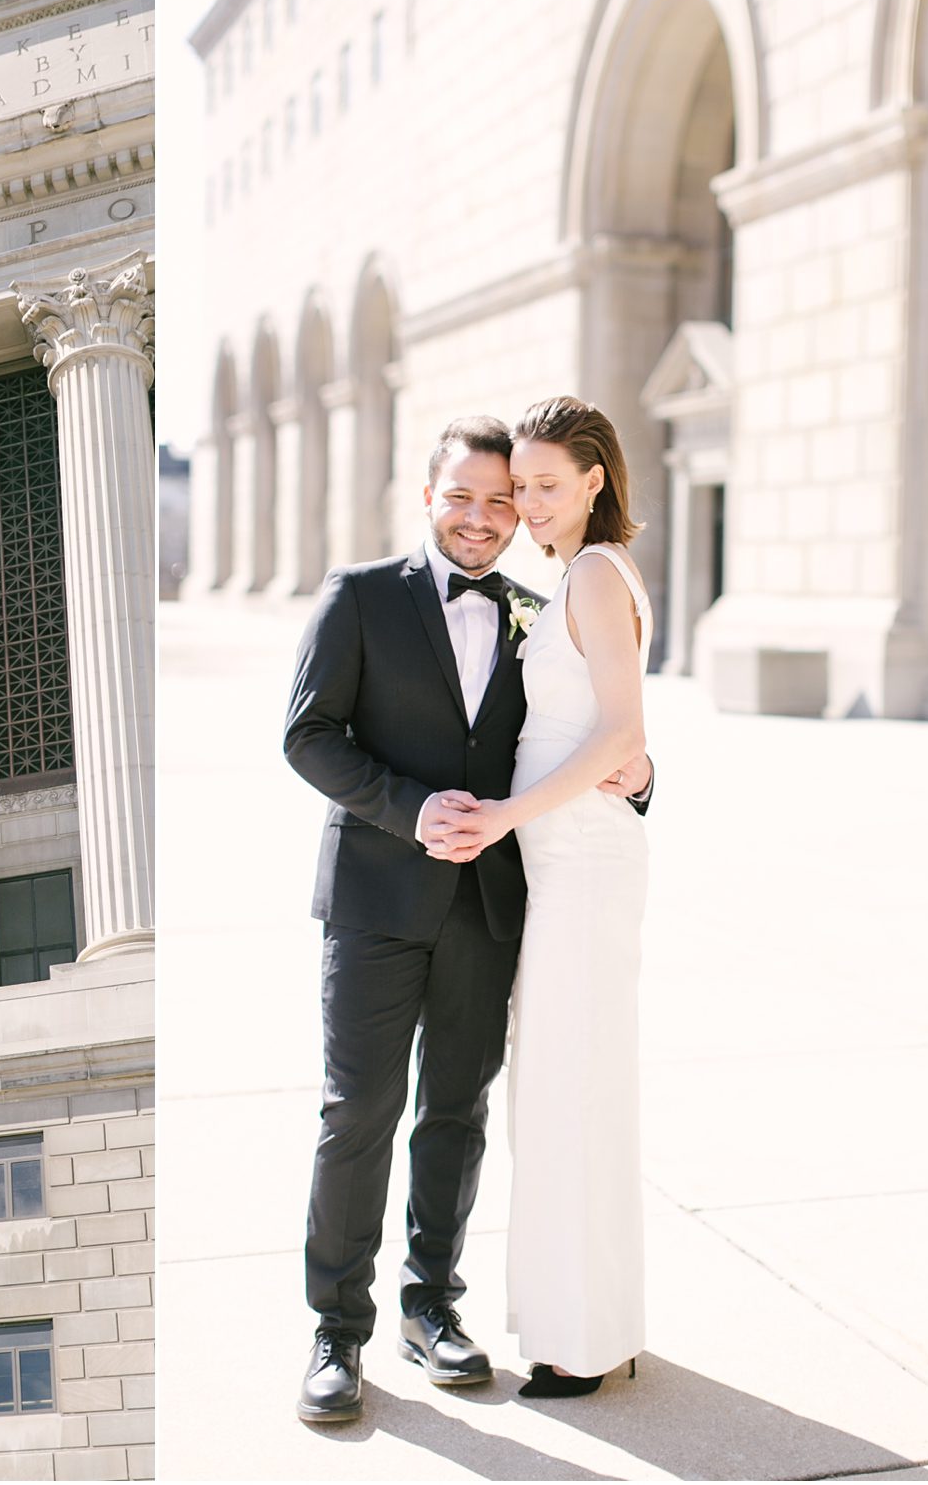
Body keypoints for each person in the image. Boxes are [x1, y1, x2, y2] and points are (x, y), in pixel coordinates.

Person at [283, 415, 653, 1422]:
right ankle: (336, 1333)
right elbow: (306, 735)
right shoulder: (357, 596)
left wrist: (641, 773)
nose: (488, 517)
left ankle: (430, 1308)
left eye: (504, 499)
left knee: (455, 1112)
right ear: (426, 497)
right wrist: (408, 808)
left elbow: (580, 734)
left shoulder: (542, 606)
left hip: (491, 908)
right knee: (354, 1113)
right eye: (466, 497)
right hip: (374, 897)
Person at [460, 395, 652, 1398]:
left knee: (568, 1094)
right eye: (518, 487)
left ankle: (578, 1341)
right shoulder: (585, 575)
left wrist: (498, 817)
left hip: (576, 865)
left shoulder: (586, 573)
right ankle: (595, 1324)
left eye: (544, 485)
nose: (527, 505)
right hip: (571, 860)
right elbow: (622, 739)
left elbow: (618, 731)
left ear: (593, 481)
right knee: (573, 1089)